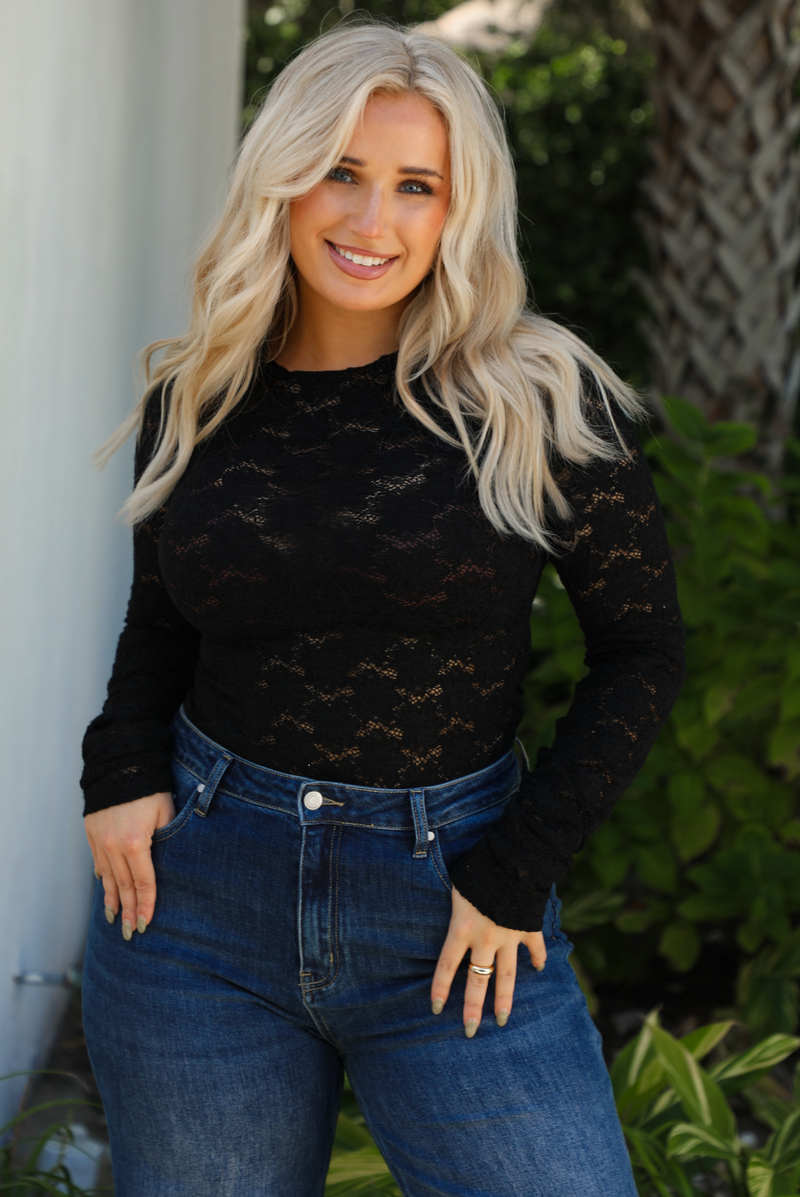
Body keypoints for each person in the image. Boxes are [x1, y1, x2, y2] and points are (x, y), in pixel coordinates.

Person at [80, 21, 685, 1197]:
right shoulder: (195, 395)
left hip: (454, 905)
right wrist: (117, 768)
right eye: (340, 172)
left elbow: (640, 650)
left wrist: (513, 873)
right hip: (193, 913)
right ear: (282, 179)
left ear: (461, 211)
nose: (370, 221)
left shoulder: (536, 400)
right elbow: (162, 620)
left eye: (416, 186)